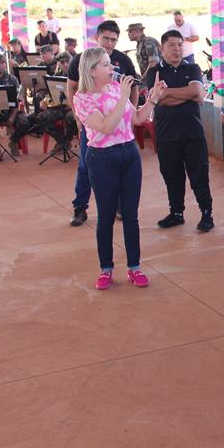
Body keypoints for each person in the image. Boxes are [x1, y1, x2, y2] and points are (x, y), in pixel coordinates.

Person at [72, 47, 159, 291]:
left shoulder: (114, 89)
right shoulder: (82, 98)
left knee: (130, 215)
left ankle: (134, 267)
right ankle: (106, 269)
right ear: (91, 70)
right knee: (106, 217)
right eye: (106, 65)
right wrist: (123, 96)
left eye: (111, 64)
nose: (113, 69)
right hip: (102, 158)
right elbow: (106, 127)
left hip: (128, 154)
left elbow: (139, 119)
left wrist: (152, 98)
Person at [67, 20, 139, 227]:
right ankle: (80, 207)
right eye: (105, 38)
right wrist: (78, 116)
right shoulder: (83, 60)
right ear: (96, 38)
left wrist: (129, 114)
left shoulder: (123, 60)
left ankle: (117, 206)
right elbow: (71, 87)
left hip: (119, 130)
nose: (109, 43)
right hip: (95, 127)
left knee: (120, 171)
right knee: (85, 166)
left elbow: (132, 88)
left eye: (113, 40)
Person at [144, 30, 213, 232]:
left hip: (192, 133)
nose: (177, 49)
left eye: (179, 45)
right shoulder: (154, 72)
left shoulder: (192, 68)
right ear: (162, 48)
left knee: (199, 175)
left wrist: (165, 93)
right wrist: (187, 94)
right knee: (172, 176)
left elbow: (196, 92)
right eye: (172, 45)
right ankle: (176, 213)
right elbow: (155, 98)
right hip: (166, 135)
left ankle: (207, 214)